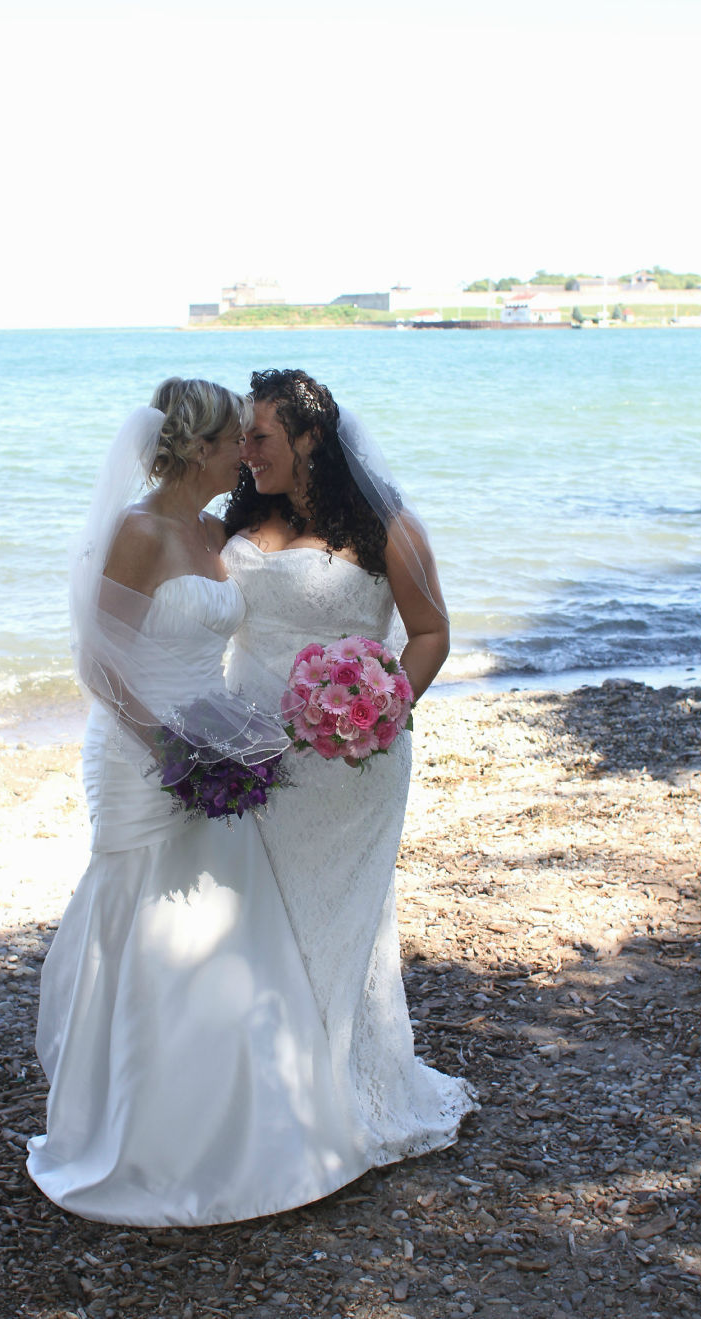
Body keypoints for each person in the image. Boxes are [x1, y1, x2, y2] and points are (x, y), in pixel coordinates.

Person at [27, 378, 368, 1225]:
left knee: (224, 923)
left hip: (212, 743)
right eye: (233, 440)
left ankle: (244, 1131)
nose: (244, 454)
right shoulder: (139, 531)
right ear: (198, 447)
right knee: (141, 924)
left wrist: (223, 737)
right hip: (139, 749)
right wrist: (165, 746)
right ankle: (134, 1137)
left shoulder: (214, 529)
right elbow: (100, 661)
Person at [221, 368, 477, 1174]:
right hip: (247, 757)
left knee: (339, 925)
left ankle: (340, 1091)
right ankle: (261, 1092)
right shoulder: (238, 516)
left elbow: (429, 630)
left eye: (261, 435)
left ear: (309, 438)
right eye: (242, 436)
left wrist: (382, 706)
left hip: (349, 764)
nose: (246, 449)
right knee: (254, 922)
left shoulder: (382, 524)